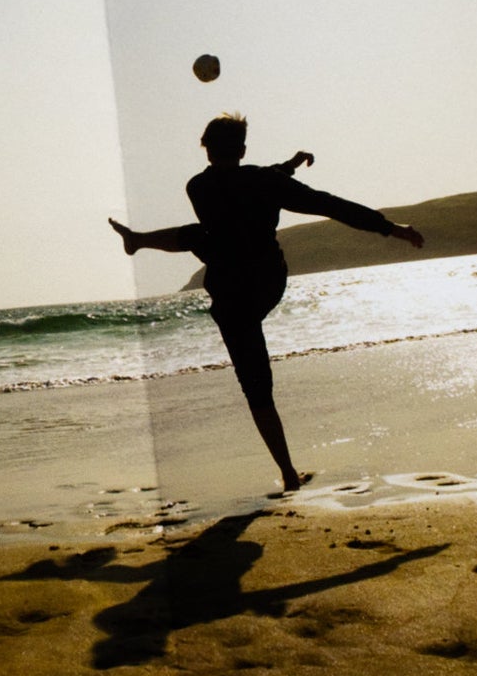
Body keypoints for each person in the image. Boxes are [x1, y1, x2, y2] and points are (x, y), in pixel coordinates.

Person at [112, 114, 423, 492]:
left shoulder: (197, 187)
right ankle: (139, 241)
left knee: (255, 384)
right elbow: (326, 204)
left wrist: (286, 168)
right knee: (206, 238)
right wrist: (391, 228)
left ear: (205, 149)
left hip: (229, 294)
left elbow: (238, 186)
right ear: (243, 150)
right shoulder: (264, 181)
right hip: (265, 281)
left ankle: (289, 473)